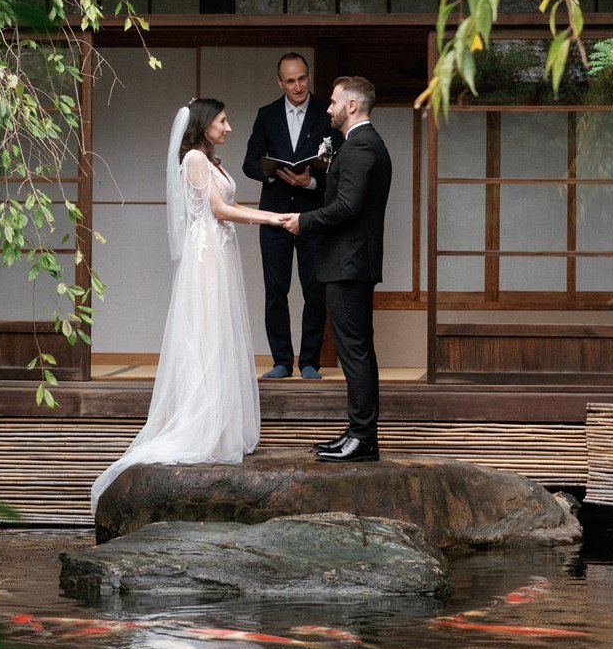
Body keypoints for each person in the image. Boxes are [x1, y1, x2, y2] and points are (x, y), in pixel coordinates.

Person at [89, 97, 285, 513]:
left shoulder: (210, 159)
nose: (229, 127)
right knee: (207, 332)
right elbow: (216, 209)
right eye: (222, 121)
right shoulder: (195, 158)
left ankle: (219, 427)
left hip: (219, 249)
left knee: (220, 333)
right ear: (203, 125)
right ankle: (203, 425)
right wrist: (270, 217)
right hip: (207, 254)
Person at [278, 76, 392, 463]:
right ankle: (358, 433)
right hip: (349, 262)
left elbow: (348, 207)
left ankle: (363, 439)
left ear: (352, 106)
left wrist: (303, 222)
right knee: (356, 351)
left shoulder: (362, 146)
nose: (327, 108)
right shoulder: (358, 144)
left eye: (333, 102)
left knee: (354, 353)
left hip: (349, 263)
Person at [241, 52, 334, 380]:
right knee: (275, 288)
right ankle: (281, 360)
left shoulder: (327, 113)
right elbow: (249, 162)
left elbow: (338, 165)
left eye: (303, 78)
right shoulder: (266, 115)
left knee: (314, 289)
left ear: (309, 77)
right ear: (280, 82)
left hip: (313, 213)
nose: (298, 86)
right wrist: (273, 172)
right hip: (275, 214)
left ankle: (309, 361)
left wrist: (310, 181)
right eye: (291, 80)